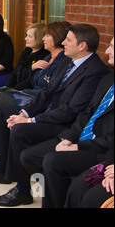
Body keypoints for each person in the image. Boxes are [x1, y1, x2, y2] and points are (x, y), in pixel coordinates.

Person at [0, 24, 109, 207]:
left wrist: (29, 120)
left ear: (82, 46)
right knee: (7, 115)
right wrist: (25, 112)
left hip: (66, 122)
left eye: (68, 40)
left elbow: (71, 111)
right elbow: (47, 91)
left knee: (20, 130)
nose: (63, 43)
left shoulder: (96, 71)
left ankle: (22, 188)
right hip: (52, 113)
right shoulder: (68, 60)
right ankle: (6, 170)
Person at [20, 37, 114, 208]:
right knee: (29, 157)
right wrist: (69, 137)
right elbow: (88, 112)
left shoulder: (96, 71)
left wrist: (79, 146)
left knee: (54, 162)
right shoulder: (109, 79)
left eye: (113, 47)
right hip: (80, 135)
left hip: (101, 149)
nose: (107, 51)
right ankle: (49, 194)